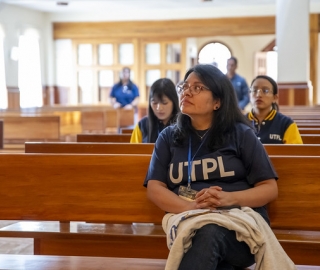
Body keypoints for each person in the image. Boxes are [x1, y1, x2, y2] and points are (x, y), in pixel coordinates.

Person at [144, 64, 281, 269]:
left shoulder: (240, 134)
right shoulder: (168, 138)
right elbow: (155, 187)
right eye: (185, 86)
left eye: (198, 87)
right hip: (188, 219)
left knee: (209, 232)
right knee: (210, 244)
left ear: (217, 101)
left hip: (240, 224)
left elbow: (270, 188)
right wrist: (192, 208)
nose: (187, 91)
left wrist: (229, 198)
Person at [247, 75, 303, 144]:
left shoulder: (286, 124)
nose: (259, 95)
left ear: (275, 98)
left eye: (265, 91)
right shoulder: (240, 122)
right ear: (249, 95)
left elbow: (296, 152)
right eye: (254, 90)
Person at [130, 78, 180, 143]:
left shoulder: (184, 125)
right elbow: (133, 151)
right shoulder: (142, 125)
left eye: (164, 103)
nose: (159, 108)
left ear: (174, 102)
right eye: (155, 103)